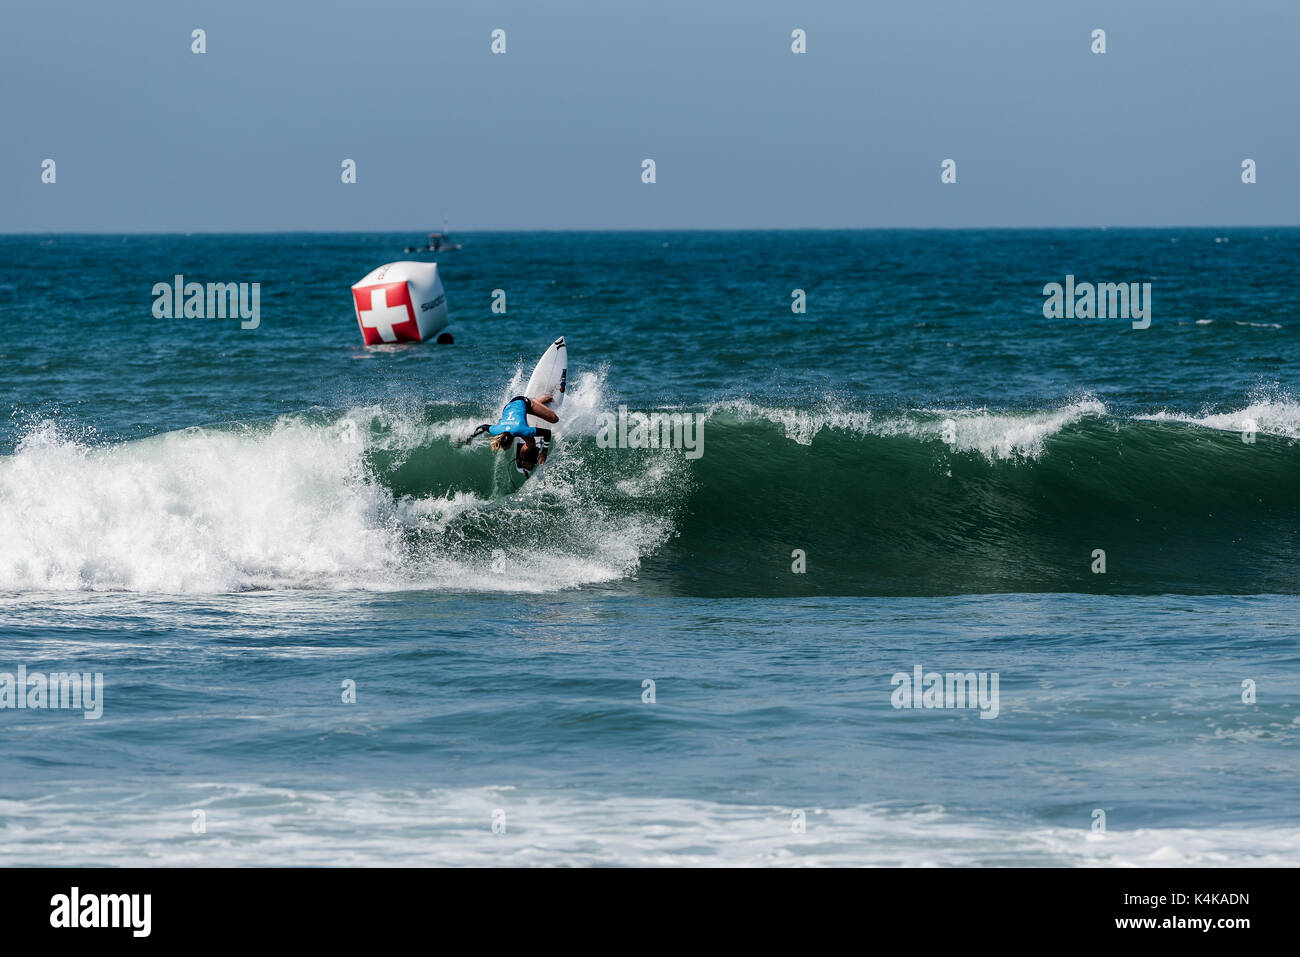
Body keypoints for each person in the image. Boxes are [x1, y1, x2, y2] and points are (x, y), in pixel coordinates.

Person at [463, 394, 558, 477]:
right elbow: (482, 427)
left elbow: (547, 433)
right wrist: (471, 436)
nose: (504, 449)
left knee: (554, 418)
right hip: (508, 407)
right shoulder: (497, 430)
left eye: (505, 447)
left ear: (512, 440)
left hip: (522, 401)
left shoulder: (522, 430)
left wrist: (544, 452)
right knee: (530, 441)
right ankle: (535, 406)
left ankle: (535, 402)